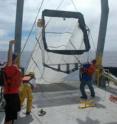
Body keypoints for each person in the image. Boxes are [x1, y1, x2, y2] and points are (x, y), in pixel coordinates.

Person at [3, 40, 22, 124]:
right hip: (11, 95)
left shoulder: (14, 67)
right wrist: (10, 45)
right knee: (9, 117)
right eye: (16, 58)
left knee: (12, 115)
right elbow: (9, 58)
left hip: (14, 94)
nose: (17, 59)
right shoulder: (9, 67)